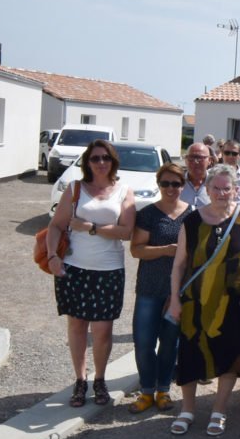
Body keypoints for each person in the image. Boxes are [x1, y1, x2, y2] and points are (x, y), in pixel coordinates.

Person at [167, 164, 240, 436]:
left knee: (228, 357)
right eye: (216, 188)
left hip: (233, 301)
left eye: (226, 188)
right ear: (207, 190)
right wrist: (174, 299)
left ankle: (218, 410)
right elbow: (179, 265)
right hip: (195, 302)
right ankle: (187, 410)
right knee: (190, 355)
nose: (221, 193)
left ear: (236, 190)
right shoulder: (192, 221)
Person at [45, 139, 136, 408]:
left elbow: (126, 232)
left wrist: (90, 227)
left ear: (113, 161)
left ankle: (100, 379)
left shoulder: (124, 191)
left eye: (105, 158)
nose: (100, 163)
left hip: (109, 270)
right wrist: (52, 255)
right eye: (95, 158)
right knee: (76, 326)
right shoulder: (75, 189)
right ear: (87, 162)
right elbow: (55, 226)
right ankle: (80, 380)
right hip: (74, 267)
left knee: (103, 330)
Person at [127, 162, 190, 413]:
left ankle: (163, 390)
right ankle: (146, 391)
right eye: (165, 183)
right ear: (158, 184)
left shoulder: (192, 215)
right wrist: (165, 250)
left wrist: (180, 293)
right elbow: (136, 249)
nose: (170, 188)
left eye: (176, 183)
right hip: (149, 289)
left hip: (177, 292)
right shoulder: (149, 214)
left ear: (183, 186)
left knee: (170, 344)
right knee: (143, 342)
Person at [181, 142, 213, 210]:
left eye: (200, 158)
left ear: (209, 160)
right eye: (191, 158)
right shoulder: (176, 183)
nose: (195, 162)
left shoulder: (216, 184)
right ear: (185, 160)